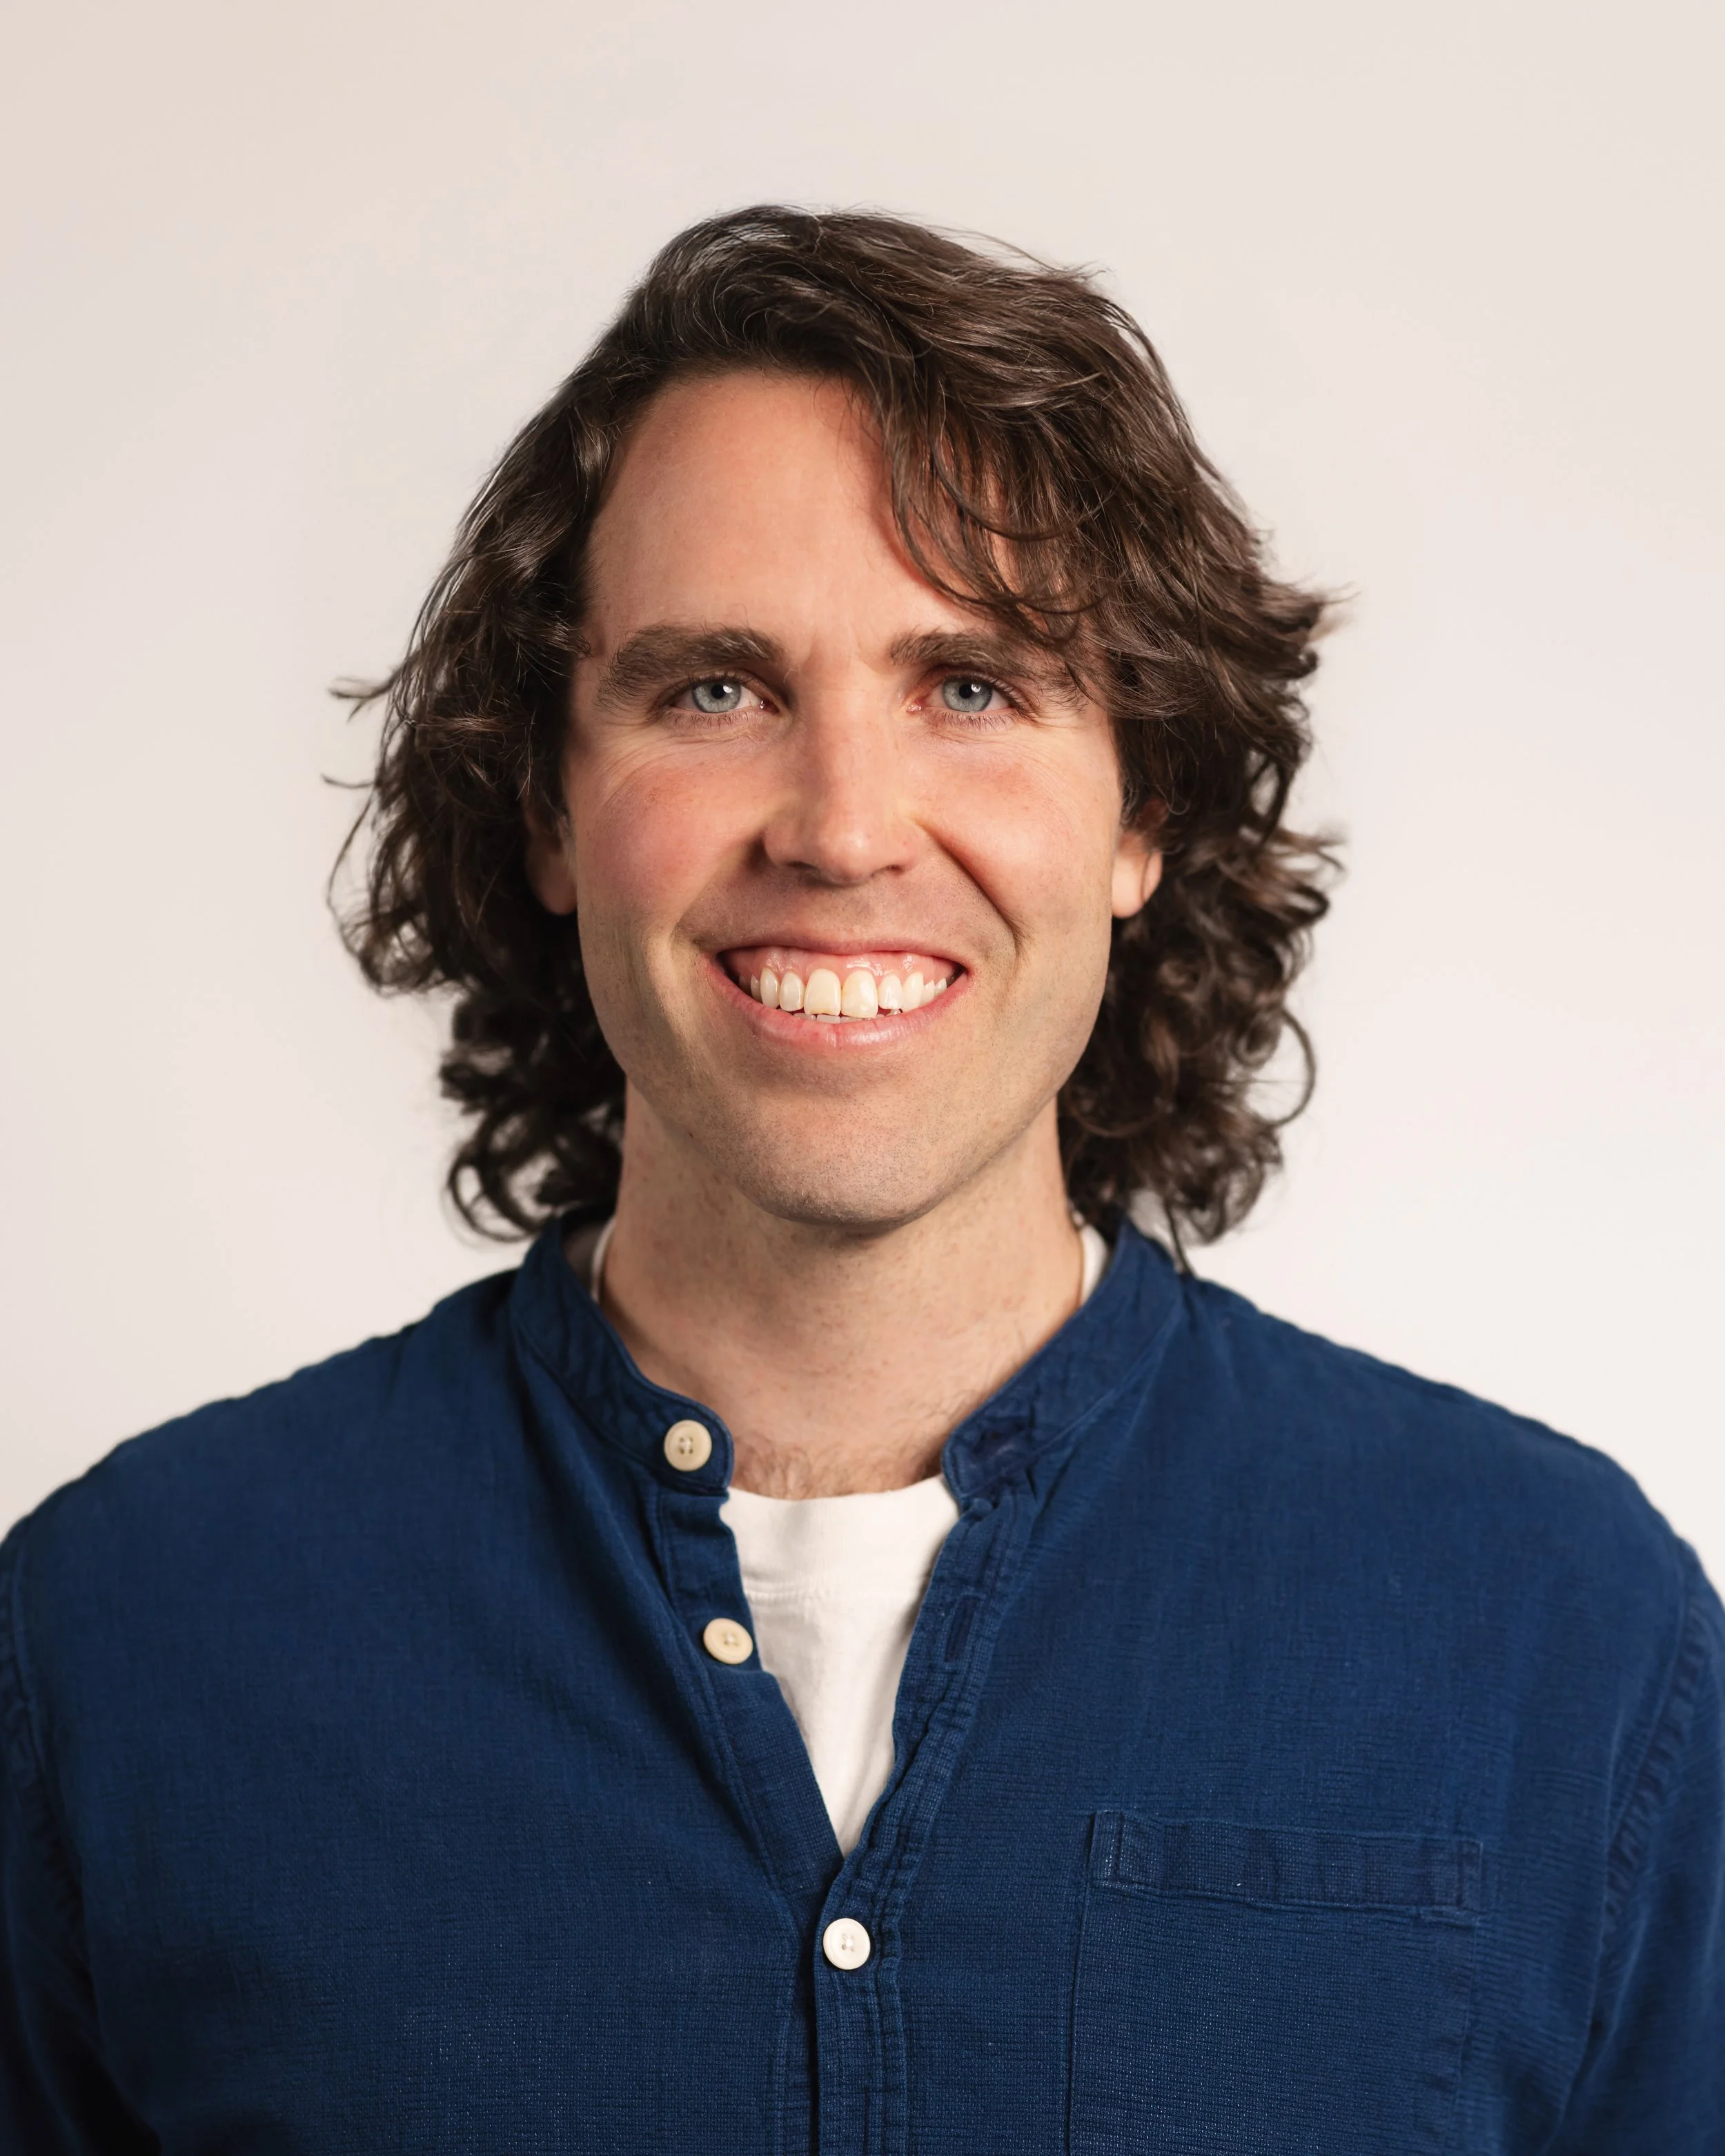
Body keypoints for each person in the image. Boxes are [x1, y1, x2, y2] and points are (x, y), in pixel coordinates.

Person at [1, 206, 1719, 2153]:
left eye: (968, 687)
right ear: (549, 802)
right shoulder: (122, 1637)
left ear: (1140, 810)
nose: (840, 828)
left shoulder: (1563, 1636)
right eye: (715, 689)